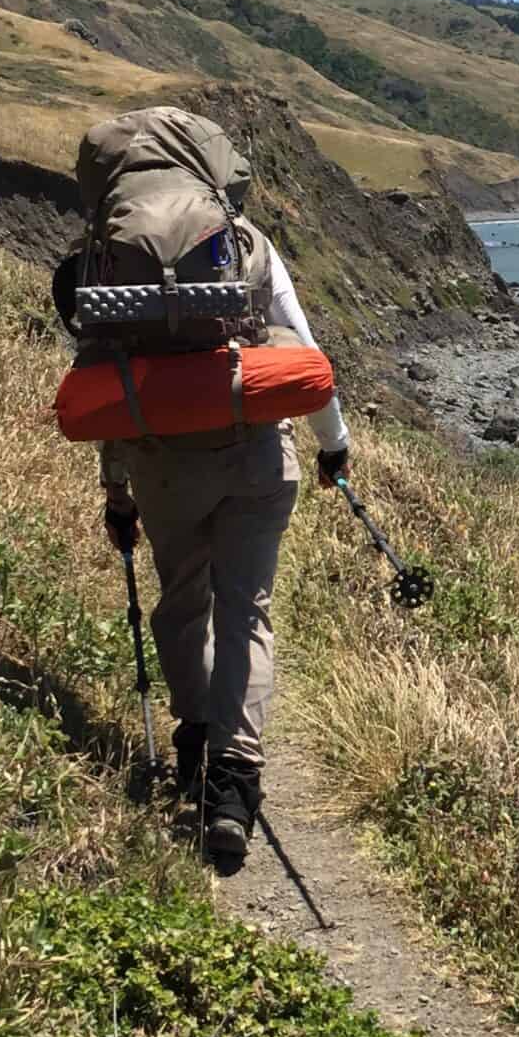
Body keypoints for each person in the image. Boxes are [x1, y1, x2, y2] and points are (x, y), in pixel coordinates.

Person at [53, 113, 349, 869]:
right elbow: (303, 350)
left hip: (159, 459)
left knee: (183, 599)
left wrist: (116, 490)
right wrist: (333, 447)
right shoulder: (246, 244)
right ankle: (234, 781)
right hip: (254, 452)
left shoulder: (100, 257)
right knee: (246, 609)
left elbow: (110, 383)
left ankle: (192, 743)